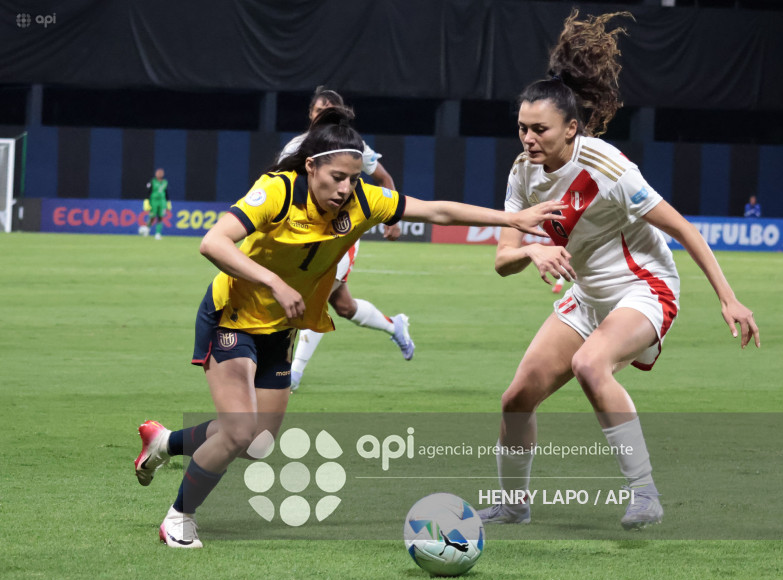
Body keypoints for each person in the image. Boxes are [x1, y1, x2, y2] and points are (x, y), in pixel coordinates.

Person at [134, 106, 567, 548]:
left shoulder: (363, 200)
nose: (345, 188)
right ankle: (178, 518)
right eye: (337, 177)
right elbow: (213, 242)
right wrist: (274, 281)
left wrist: (511, 219)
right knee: (240, 429)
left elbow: (435, 210)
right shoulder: (277, 192)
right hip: (232, 316)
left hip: (280, 327)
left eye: (353, 178)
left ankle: (165, 442)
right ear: (311, 166)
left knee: (258, 442)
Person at [477, 9, 760, 531]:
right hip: (587, 297)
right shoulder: (523, 172)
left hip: (644, 288)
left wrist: (728, 298)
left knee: (590, 364)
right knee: (516, 398)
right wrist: (531, 252)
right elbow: (502, 259)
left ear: (572, 127)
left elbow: (684, 229)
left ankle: (644, 494)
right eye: (521, 128)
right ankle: (513, 504)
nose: (528, 139)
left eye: (539, 129)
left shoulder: (608, 168)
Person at [280, 87, 409, 391]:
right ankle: (395, 326)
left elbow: (384, 180)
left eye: (329, 112)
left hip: (341, 232)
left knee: (313, 297)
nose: (322, 117)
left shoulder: (355, 148)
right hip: (304, 232)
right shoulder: (296, 147)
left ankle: (292, 373)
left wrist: (392, 218)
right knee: (345, 307)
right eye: (318, 111)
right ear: (311, 115)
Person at [138, 168, 170, 240]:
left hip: (162, 201)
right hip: (154, 201)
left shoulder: (165, 182)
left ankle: (158, 233)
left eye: (161, 173)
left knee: (160, 217)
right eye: (158, 173)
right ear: (156, 174)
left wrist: (168, 202)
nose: (159, 174)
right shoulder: (152, 181)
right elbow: (148, 192)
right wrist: (146, 201)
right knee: (152, 217)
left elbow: (166, 193)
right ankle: (147, 229)